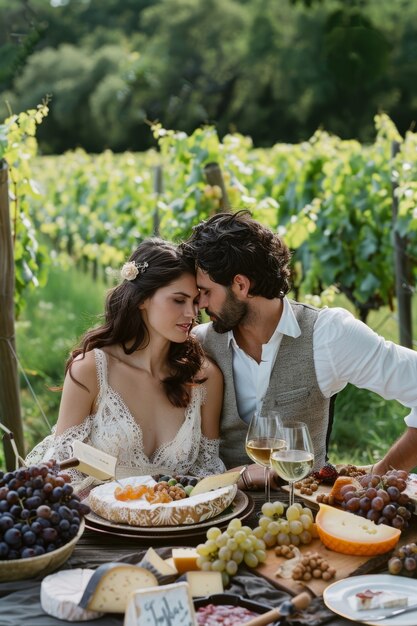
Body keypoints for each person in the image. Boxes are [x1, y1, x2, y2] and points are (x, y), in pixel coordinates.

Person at [180, 210, 417, 482]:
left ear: (241, 285)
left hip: (308, 516)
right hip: (223, 519)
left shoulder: (328, 335)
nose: (200, 305)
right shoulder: (200, 343)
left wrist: (381, 472)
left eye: (207, 292)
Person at [26, 238, 225, 494]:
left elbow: (208, 472)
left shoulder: (204, 377)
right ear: (142, 299)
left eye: (195, 302)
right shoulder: (92, 369)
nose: (191, 313)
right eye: (178, 300)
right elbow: (63, 470)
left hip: (175, 524)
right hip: (99, 523)